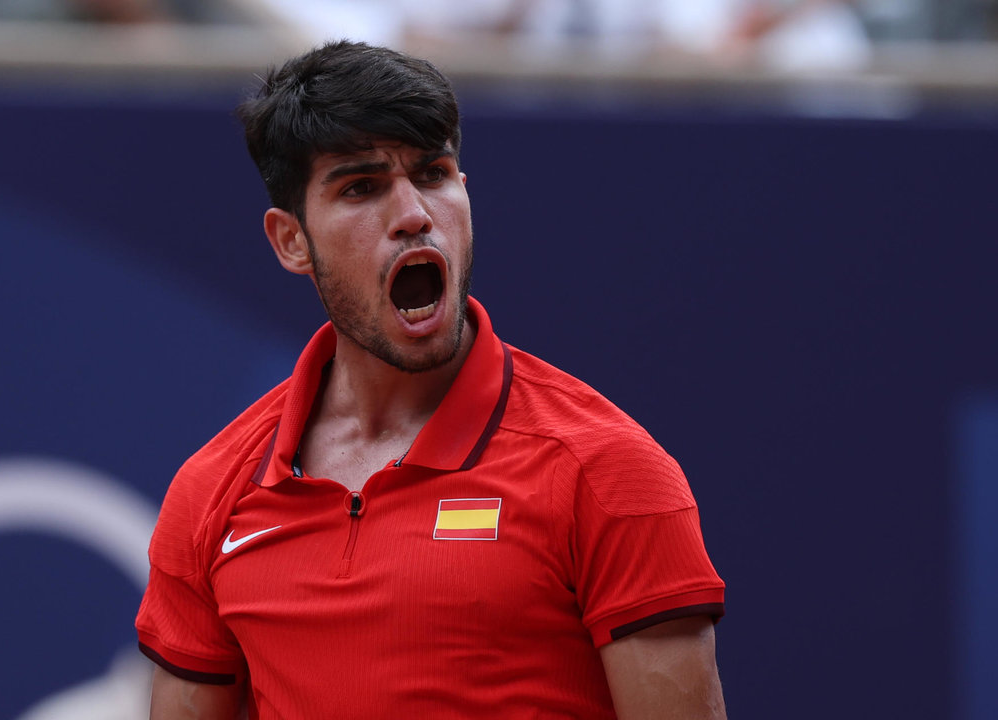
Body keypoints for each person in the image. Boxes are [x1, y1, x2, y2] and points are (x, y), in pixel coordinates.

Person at [135, 39, 727, 720]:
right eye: (360, 187)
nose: (414, 213)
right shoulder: (211, 492)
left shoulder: (609, 472)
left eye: (433, 173)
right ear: (290, 241)